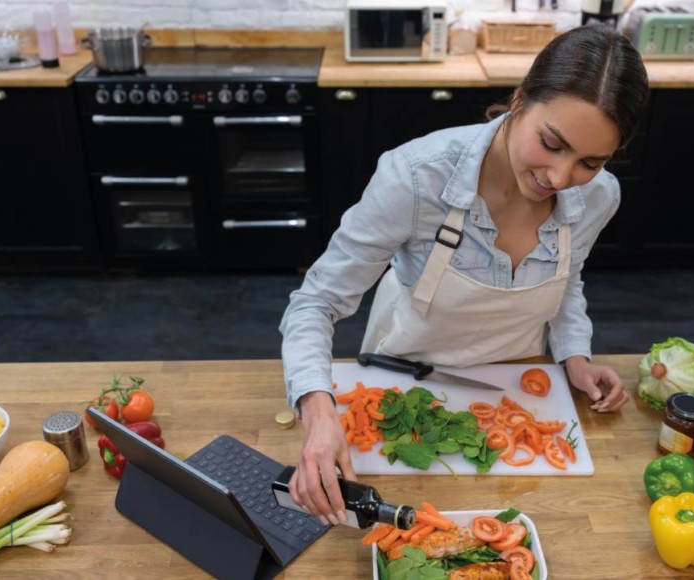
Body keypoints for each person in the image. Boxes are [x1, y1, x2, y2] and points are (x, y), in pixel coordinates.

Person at [279, 24, 650, 526]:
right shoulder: (415, 177)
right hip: (401, 388)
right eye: (551, 143)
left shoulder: (599, 197)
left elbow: (568, 279)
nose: (559, 179)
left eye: (590, 162)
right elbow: (316, 302)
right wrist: (319, 414)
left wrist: (575, 356)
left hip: (517, 392)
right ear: (519, 101)